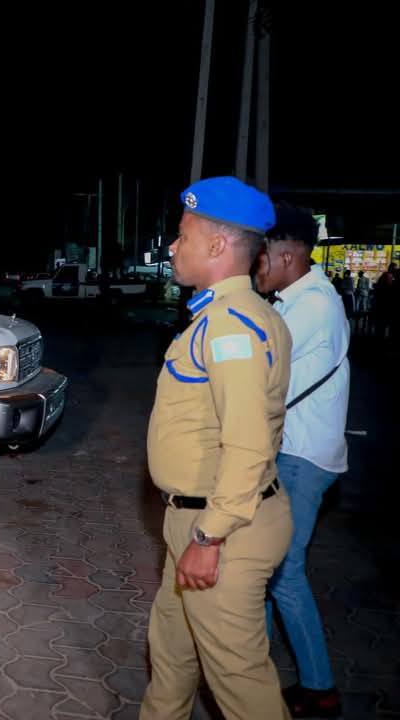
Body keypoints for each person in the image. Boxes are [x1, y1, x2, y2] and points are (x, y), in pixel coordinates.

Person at [141, 177, 293, 719]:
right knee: (171, 659)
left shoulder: (231, 328)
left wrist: (209, 537)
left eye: (182, 236)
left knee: (241, 686)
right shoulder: (235, 316)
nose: (172, 246)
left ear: (216, 245)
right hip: (196, 521)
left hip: (221, 531)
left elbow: (247, 442)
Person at [254, 204, 348, 718]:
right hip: (296, 452)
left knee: (284, 573)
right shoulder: (302, 300)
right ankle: (256, 671)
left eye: (263, 258)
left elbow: (261, 369)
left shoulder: (311, 305)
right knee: (268, 568)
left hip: (302, 458)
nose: (258, 267)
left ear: (287, 256)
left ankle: (320, 688)